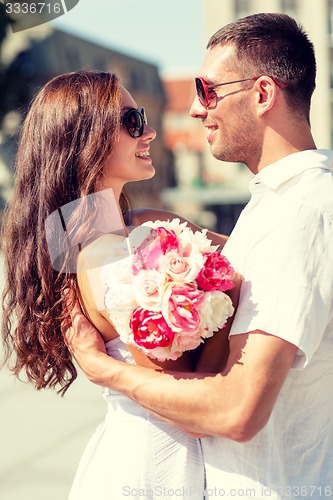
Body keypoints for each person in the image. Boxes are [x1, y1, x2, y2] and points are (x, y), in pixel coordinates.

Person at [65, 13, 333, 500]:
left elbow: (234, 411)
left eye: (207, 91)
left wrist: (105, 370)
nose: (192, 109)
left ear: (262, 94)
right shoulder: (273, 206)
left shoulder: (298, 213)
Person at [1, 70, 240, 500]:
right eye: (132, 121)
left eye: (143, 116)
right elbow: (189, 406)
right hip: (155, 468)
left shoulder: (125, 228)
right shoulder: (106, 254)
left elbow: (249, 246)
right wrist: (232, 299)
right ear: (84, 139)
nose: (148, 131)